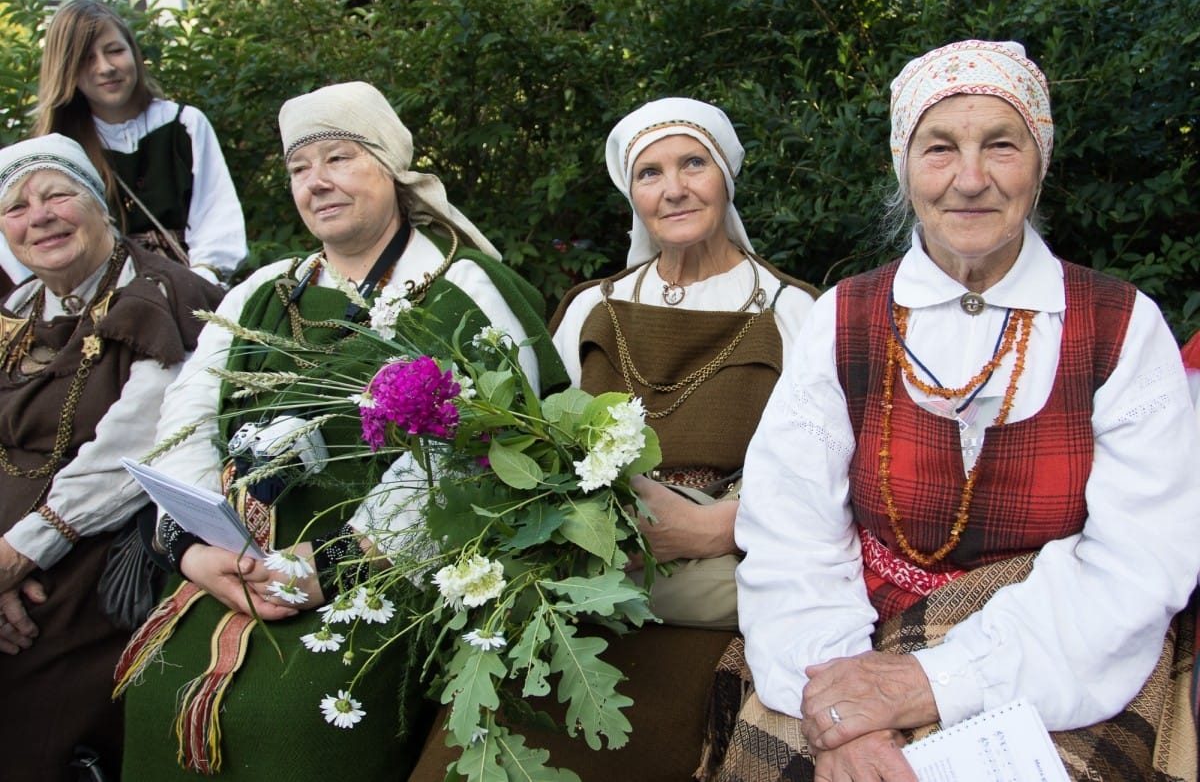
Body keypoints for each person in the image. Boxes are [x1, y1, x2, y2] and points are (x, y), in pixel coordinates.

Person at [707, 40, 1200, 781]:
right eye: (940, 148)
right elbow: (791, 529)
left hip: (1060, 641)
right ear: (903, 166)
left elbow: (1140, 557)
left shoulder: (1120, 325)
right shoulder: (845, 318)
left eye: (1001, 144)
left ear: (1039, 162)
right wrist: (844, 714)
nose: (970, 179)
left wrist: (932, 682)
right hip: (849, 629)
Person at [115, 81, 567, 780]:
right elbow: (185, 420)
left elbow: (467, 458)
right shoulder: (263, 291)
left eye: (339, 158)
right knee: (152, 686)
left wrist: (320, 570)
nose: (316, 182)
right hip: (237, 561)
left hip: (393, 567)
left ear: (389, 167)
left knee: (293, 714)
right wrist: (196, 551)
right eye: (299, 168)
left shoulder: (465, 290)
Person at [410, 97, 818, 781]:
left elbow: (827, 476)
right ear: (633, 194)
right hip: (576, 589)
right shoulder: (590, 309)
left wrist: (716, 527)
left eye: (694, 163)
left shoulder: (793, 311)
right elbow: (531, 446)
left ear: (725, 176)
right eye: (651, 172)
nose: (675, 187)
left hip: (717, 598)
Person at [0, 133, 223, 780]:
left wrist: (17, 557)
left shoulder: (162, 294)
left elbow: (133, 446)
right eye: (17, 206)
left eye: (57, 195)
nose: (38, 216)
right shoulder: (16, 312)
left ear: (100, 206)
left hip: (91, 550)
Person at [0, 0, 247, 288]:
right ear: (67, 69)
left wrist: (197, 284)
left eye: (115, 51)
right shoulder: (58, 150)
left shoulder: (184, 124)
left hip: (191, 286)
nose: (105, 67)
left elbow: (217, 219)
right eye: (87, 58)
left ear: (133, 51)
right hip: (102, 297)